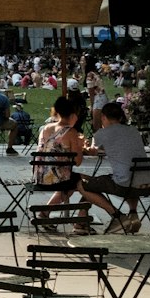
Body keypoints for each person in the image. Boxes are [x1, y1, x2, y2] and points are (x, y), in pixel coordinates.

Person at [79, 101, 150, 234]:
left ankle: (117, 216)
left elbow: (92, 151)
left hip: (124, 184)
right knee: (129, 175)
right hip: (147, 183)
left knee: (83, 183)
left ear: (104, 118)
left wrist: (84, 146)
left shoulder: (104, 133)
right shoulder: (133, 131)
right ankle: (133, 214)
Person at [33, 94, 87, 233]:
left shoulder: (45, 128)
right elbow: (78, 161)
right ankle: (81, 221)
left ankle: (45, 213)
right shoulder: (71, 132)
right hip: (57, 178)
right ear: (73, 114)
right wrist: (80, 146)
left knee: (73, 181)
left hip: (39, 175)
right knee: (87, 183)